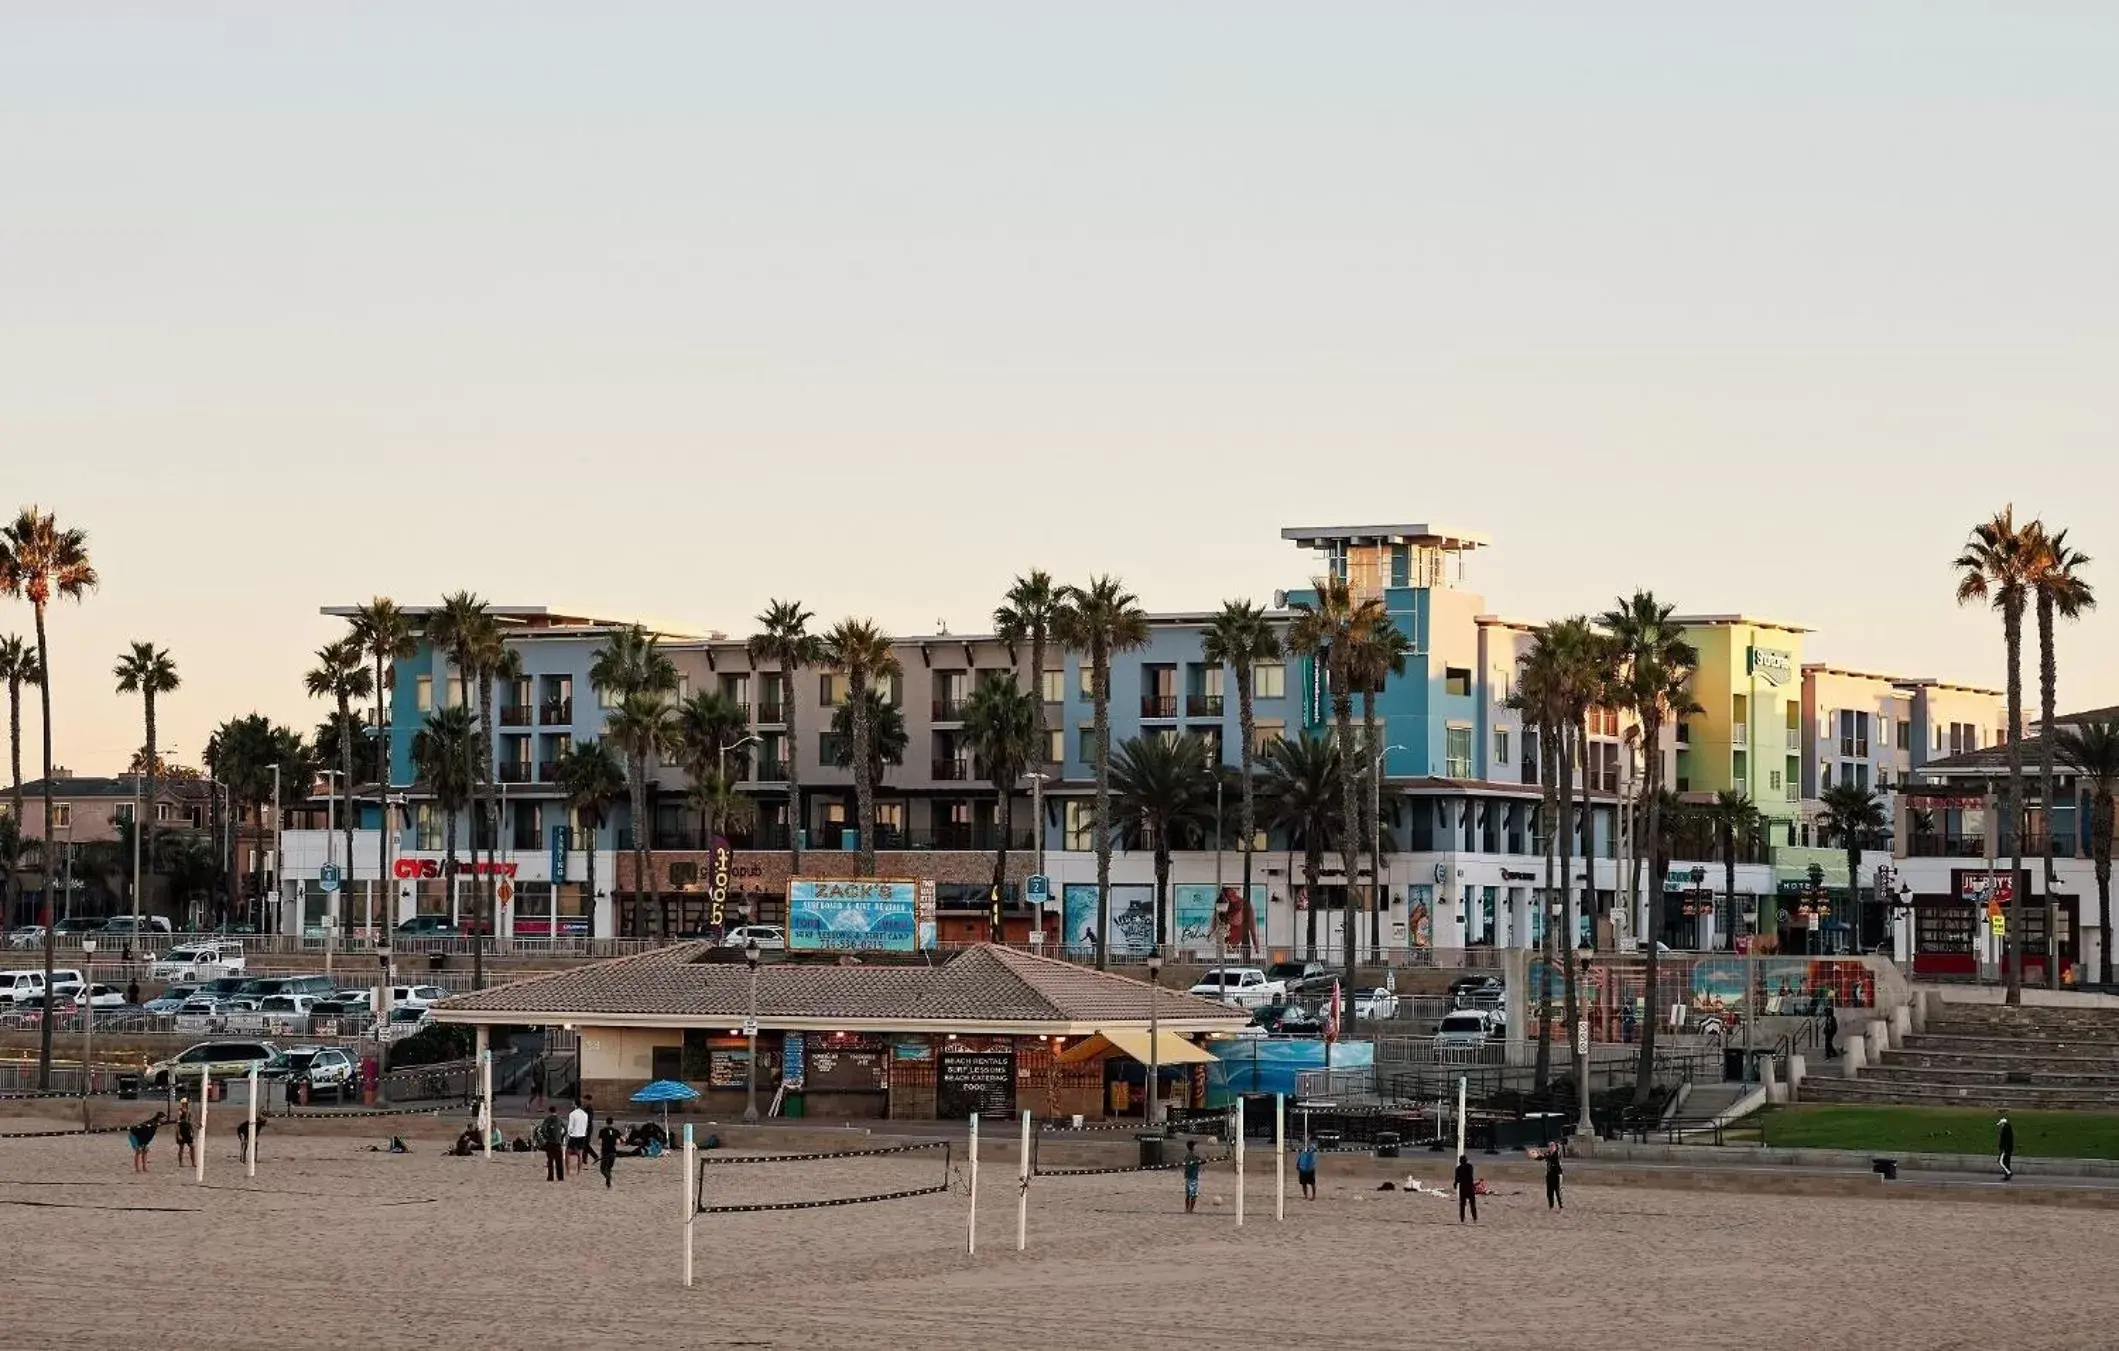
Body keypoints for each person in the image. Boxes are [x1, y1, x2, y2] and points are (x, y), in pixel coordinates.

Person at [536, 1106, 566, 1182]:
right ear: (556, 1111)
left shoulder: (548, 1119)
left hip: (550, 1142)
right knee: (559, 1160)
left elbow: (542, 1129)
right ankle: (560, 1177)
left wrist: (547, 1136)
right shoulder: (559, 1119)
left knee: (550, 1160)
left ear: (549, 1111)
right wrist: (561, 1137)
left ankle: (550, 1177)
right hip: (558, 1142)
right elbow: (565, 1129)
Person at [566, 1099, 590, 1178]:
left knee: (568, 1153)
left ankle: (568, 1171)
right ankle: (579, 1171)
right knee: (580, 1154)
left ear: (575, 1105)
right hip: (582, 1135)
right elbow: (586, 1125)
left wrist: (568, 1133)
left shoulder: (572, 1114)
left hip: (574, 1136)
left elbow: (570, 1126)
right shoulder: (585, 1114)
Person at [1181, 1140, 1204, 1214]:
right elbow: (1200, 1161)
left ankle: (1187, 1209)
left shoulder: (1187, 1155)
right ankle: (1191, 1209)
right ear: (1193, 1147)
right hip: (1193, 1177)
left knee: (1188, 1195)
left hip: (1188, 1177)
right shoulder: (1194, 1156)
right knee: (1193, 1195)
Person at [1455, 1154, 1478, 1223]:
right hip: (1469, 1187)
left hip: (1463, 1187)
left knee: (1462, 1204)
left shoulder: (1458, 1168)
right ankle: (1475, 1218)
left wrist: (1456, 1184)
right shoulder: (1469, 1166)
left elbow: (1457, 1179)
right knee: (1472, 1204)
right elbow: (1470, 1176)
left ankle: (1462, 1219)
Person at [597, 1119, 621, 1188]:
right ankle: (608, 1183)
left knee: (602, 1169)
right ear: (612, 1123)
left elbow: (600, 1142)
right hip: (613, 1151)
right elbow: (618, 1142)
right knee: (609, 1168)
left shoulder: (602, 1131)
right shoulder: (616, 1131)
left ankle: (608, 1178)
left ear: (606, 1122)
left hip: (605, 1152)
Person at [174, 1099, 196, 1170]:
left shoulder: (188, 1111)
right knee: (181, 1147)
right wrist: (179, 1133)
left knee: (192, 1147)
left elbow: (190, 1122)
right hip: (182, 1130)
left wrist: (192, 1131)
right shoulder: (180, 1111)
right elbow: (177, 1123)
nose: (185, 1104)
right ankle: (180, 1163)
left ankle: (193, 1162)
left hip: (187, 1130)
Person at [1997, 1112, 2015, 1181]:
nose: (2000, 1126)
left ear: (2003, 1124)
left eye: (2001, 1124)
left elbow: (2004, 1140)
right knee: (2006, 1162)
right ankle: (2007, 1175)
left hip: (2005, 1149)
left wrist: (2003, 1148)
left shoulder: (2005, 1129)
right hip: (2008, 1149)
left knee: (2000, 1161)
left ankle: (2008, 1172)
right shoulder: (2008, 1129)